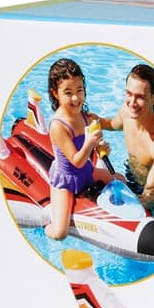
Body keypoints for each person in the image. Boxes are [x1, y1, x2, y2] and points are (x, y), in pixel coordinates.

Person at [44, 58, 119, 240]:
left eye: (79, 90)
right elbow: (76, 161)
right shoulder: (58, 126)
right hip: (66, 180)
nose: (76, 98)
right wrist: (90, 143)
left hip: (86, 172)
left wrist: (101, 148)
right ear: (55, 93)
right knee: (60, 233)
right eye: (68, 92)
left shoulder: (87, 117)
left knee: (121, 180)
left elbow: (96, 145)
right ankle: (45, 225)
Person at [101, 64, 154, 217]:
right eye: (129, 94)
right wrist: (91, 120)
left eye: (140, 97)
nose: (132, 103)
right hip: (132, 173)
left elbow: (149, 196)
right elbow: (111, 124)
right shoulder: (127, 112)